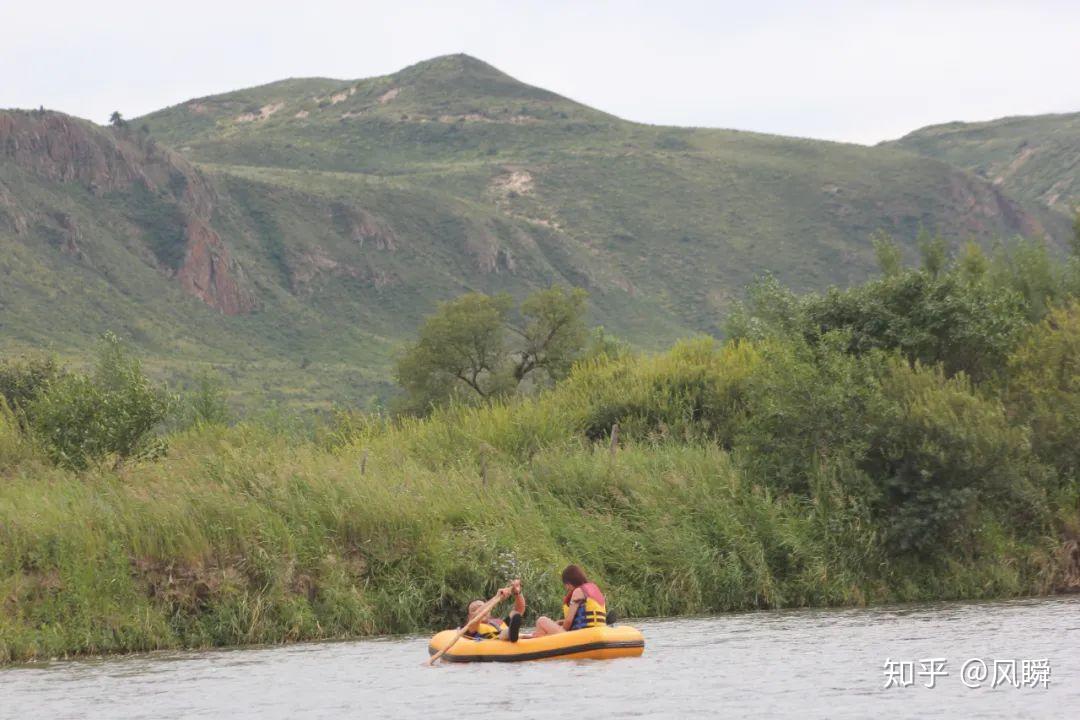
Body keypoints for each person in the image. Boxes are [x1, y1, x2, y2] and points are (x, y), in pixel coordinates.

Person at [530, 564, 606, 637]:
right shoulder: (594, 589)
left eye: (566, 585)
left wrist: (557, 630)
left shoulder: (578, 592)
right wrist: (559, 623)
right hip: (597, 633)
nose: (567, 588)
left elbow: (568, 622)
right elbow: (584, 616)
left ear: (569, 583)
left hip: (581, 636)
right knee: (551, 626)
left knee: (541, 621)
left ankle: (537, 644)